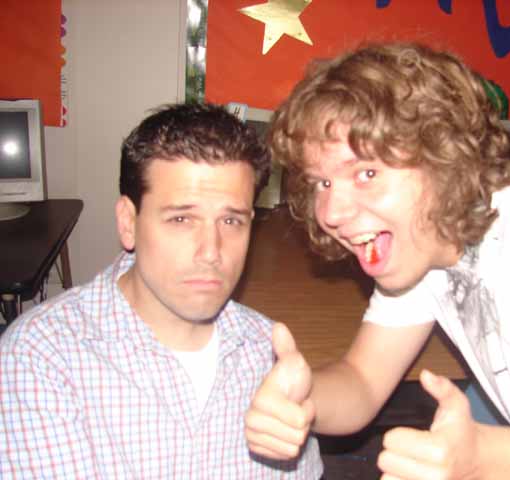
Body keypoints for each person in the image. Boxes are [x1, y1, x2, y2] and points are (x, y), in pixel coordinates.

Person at [244, 42, 510, 479]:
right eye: (322, 182)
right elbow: (362, 381)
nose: (332, 213)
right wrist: (302, 400)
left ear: (441, 153)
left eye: (367, 173)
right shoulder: (428, 239)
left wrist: (486, 458)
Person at [0, 103, 323, 479]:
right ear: (128, 223)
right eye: (181, 218)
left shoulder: (269, 355)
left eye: (231, 220)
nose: (211, 252)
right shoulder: (40, 358)